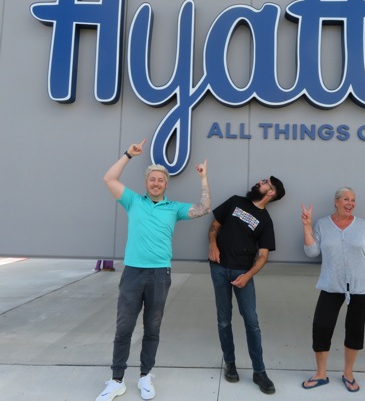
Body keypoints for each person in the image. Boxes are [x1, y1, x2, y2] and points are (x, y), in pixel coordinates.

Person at [96, 139, 211, 401]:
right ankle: (117, 380)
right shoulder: (133, 201)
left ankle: (145, 375)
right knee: (124, 328)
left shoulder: (174, 208)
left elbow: (204, 208)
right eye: (152, 179)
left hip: (160, 275)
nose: (156, 183)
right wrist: (128, 155)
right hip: (133, 273)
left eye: (160, 180)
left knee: (152, 329)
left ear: (166, 185)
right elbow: (109, 179)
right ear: (146, 183)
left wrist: (203, 178)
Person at [208, 176, 285, 395]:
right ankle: (230, 364)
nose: (260, 182)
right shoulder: (235, 201)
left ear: (271, 192)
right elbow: (214, 225)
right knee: (224, 320)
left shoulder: (266, 221)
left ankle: (259, 372)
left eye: (265, 182)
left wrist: (247, 276)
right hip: (219, 268)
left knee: (252, 322)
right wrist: (212, 245)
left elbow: (263, 256)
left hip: (243, 273)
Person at [300, 187, 365, 393]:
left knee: (355, 330)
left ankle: (348, 373)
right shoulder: (322, 224)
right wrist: (307, 227)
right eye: (346, 199)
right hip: (331, 284)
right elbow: (311, 252)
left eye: (353, 200)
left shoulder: (362, 225)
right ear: (336, 201)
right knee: (321, 327)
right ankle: (321, 374)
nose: (350, 203)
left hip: (360, 287)